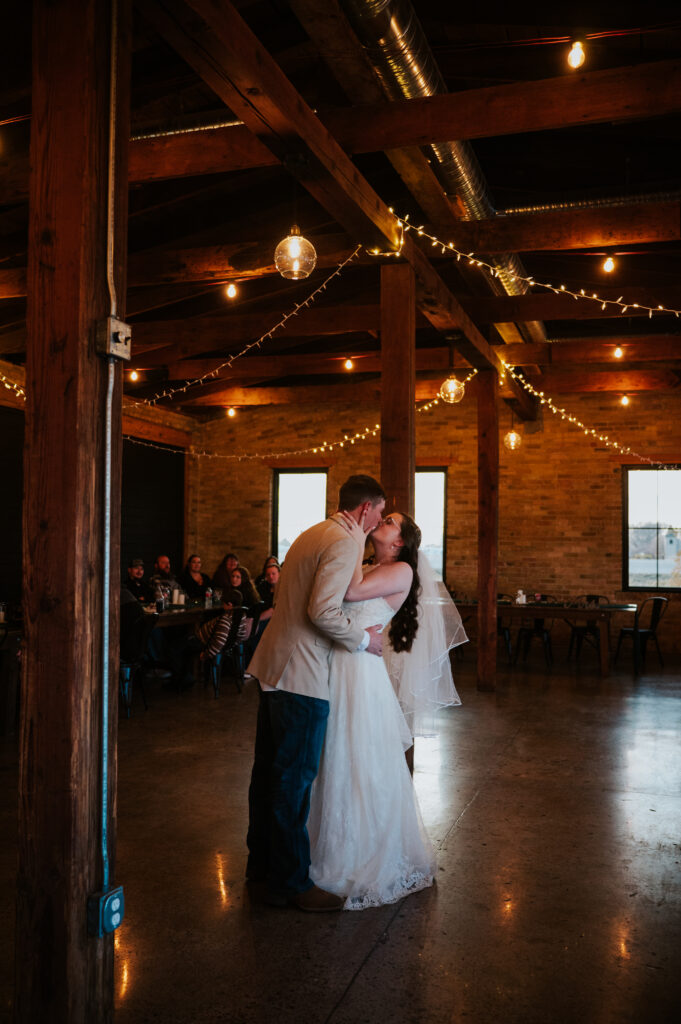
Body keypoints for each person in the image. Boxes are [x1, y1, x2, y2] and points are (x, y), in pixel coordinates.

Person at [246, 474, 386, 912]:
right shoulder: (344, 542)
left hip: (274, 666)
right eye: (380, 513)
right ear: (365, 508)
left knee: (268, 775)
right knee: (293, 780)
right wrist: (364, 640)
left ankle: (261, 867)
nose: (378, 522)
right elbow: (322, 611)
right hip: (302, 674)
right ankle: (290, 884)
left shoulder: (314, 532)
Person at [307, 510, 450, 910]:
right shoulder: (370, 566)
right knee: (334, 751)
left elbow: (351, 592)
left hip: (360, 674)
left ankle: (362, 852)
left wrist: (353, 540)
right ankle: (325, 843)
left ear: (399, 542)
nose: (381, 523)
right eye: (382, 518)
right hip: (339, 663)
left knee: (358, 752)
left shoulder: (402, 570)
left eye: (389, 522)